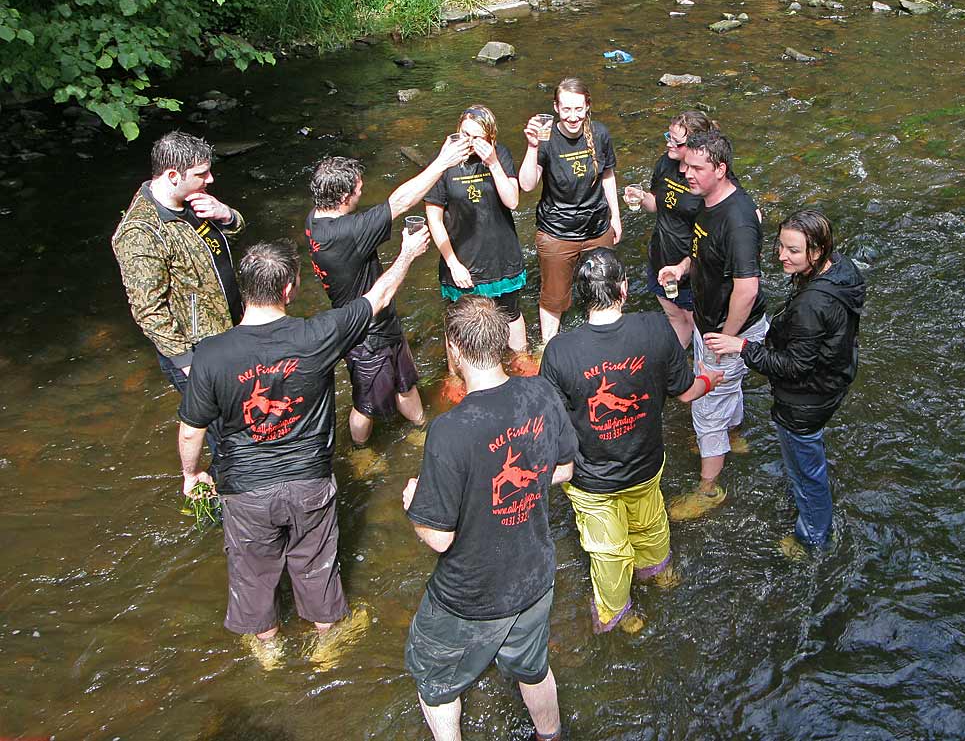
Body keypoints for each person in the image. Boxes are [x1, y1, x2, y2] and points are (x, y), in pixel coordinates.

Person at [177, 229, 431, 669]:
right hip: (308, 480)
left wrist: (190, 474)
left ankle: (268, 649)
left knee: (252, 571)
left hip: (245, 488)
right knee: (315, 560)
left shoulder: (211, 354)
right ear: (290, 288)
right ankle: (327, 639)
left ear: (244, 288)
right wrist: (408, 253)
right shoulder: (318, 334)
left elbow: (191, 430)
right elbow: (380, 295)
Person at [403, 296, 577, 741]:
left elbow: (439, 538)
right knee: (533, 667)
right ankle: (550, 734)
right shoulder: (540, 392)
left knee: (435, 681)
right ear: (502, 342)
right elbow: (563, 469)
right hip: (535, 573)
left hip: (470, 594)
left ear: (454, 347)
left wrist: (414, 506)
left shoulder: (449, 431)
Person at [539, 248, 723, 633]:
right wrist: (711, 379)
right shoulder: (655, 328)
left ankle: (619, 616)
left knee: (607, 553)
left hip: (592, 480)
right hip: (645, 463)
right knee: (650, 520)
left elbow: (551, 424)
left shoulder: (559, 351)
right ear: (622, 289)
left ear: (579, 297)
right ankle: (661, 574)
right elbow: (686, 392)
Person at [706, 210, 864, 556]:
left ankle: (813, 540)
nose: (781, 256)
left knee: (807, 475)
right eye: (780, 246)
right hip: (831, 382)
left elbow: (792, 367)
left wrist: (742, 346)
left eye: (793, 250)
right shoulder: (843, 270)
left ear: (818, 250)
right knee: (808, 463)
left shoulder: (811, 306)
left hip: (805, 402)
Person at [304, 135, 471, 445]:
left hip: (382, 320)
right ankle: (359, 449)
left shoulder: (315, 220)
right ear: (342, 196)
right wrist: (442, 162)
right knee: (364, 405)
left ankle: (422, 430)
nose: (361, 192)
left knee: (406, 383)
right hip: (364, 333)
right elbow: (400, 202)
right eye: (357, 190)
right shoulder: (348, 233)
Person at [112, 130, 245, 466]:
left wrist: (225, 214)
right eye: (202, 174)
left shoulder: (192, 201)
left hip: (229, 330)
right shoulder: (141, 232)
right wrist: (185, 363)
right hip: (196, 350)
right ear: (173, 176)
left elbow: (235, 229)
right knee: (222, 431)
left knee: (243, 414)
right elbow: (148, 310)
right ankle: (222, 496)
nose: (210, 179)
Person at [659, 130, 768, 520]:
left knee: (706, 406)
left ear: (721, 169)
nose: (686, 172)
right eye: (685, 165)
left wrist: (729, 337)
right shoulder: (709, 201)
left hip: (728, 329)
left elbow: (748, 287)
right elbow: (702, 250)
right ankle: (733, 437)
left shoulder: (738, 220)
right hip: (717, 325)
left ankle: (709, 489)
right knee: (726, 393)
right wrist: (682, 267)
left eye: (696, 167)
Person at [520, 77, 622, 345]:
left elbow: (608, 175)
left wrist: (616, 218)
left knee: (604, 288)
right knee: (554, 298)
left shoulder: (600, 134)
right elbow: (527, 185)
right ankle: (549, 350)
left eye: (578, 109)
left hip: (598, 227)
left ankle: (602, 342)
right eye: (566, 109)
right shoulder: (546, 138)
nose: (573, 116)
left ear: (588, 106)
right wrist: (532, 147)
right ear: (556, 107)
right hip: (557, 231)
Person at [425, 105, 529, 367]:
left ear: (490, 138)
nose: (470, 143)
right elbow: (435, 221)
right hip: (462, 263)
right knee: (460, 323)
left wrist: (492, 162)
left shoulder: (501, 154)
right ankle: (456, 374)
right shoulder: (443, 164)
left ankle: (521, 361)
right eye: (464, 135)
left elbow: (513, 200)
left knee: (510, 312)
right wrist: (452, 263)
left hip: (501, 257)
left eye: (478, 137)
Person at [627, 110, 720, 348]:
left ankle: (702, 372)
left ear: (695, 146)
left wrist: (684, 267)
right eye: (668, 135)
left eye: (676, 141)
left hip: (691, 267)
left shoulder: (708, 178)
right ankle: (678, 368)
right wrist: (641, 196)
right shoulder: (666, 163)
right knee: (675, 317)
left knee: (696, 321)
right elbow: (657, 204)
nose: (668, 143)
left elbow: (719, 230)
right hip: (661, 257)